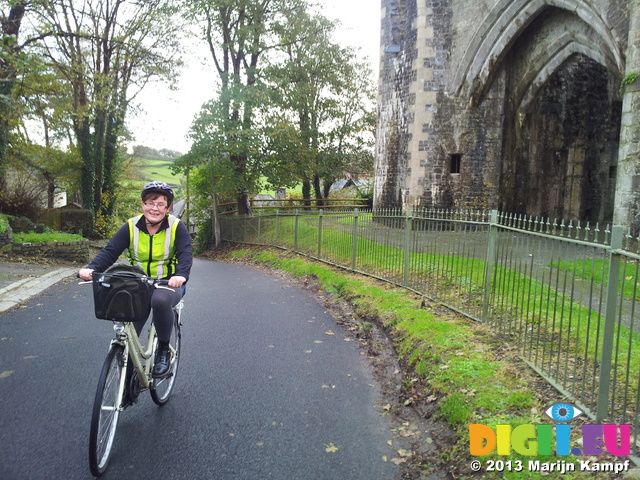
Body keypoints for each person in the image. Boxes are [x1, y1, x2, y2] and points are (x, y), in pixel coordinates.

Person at [79, 181, 193, 378]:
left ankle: (163, 350)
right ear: (143, 204)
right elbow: (110, 251)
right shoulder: (131, 226)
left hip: (167, 283)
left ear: (167, 208)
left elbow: (185, 254)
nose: (154, 208)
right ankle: (129, 381)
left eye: (160, 204)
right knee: (129, 331)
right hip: (138, 284)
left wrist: (180, 275)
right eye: (150, 203)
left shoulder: (176, 227)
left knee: (159, 301)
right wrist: (92, 268)